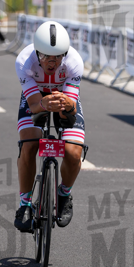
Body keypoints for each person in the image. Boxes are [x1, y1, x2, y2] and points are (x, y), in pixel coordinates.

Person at [14, 21, 85, 233]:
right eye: (45, 57)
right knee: (29, 145)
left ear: (65, 54)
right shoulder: (23, 62)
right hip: (36, 97)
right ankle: (25, 204)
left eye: (57, 57)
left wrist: (66, 105)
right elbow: (35, 104)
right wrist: (44, 104)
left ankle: (64, 194)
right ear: (36, 52)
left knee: (73, 152)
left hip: (64, 96)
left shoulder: (74, 62)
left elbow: (70, 108)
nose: (51, 62)